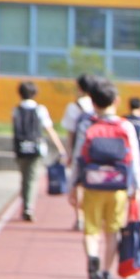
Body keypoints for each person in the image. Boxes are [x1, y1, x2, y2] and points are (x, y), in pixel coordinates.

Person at [68, 78, 140, 279]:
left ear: (93, 103)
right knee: (112, 232)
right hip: (118, 187)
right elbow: (135, 160)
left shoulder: (88, 124)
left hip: (92, 185)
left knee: (91, 231)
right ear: (117, 101)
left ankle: (92, 257)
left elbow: (78, 157)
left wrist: (73, 186)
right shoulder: (125, 126)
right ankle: (106, 273)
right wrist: (137, 188)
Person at [11, 81, 66, 222]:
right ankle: (29, 207)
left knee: (24, 178)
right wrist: (60, 148)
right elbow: (49, 130)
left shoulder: (16, 110)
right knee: (32, 178)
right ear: (35, 94)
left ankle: (25, 206)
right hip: (36, 149)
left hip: (21, 148)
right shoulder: (40, 109)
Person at [61, 74, 96, 230]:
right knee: (94, 183)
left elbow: (70, 133)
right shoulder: (98, 104)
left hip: (79, 150)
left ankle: (79, 218)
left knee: (78, 183)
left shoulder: (73, 106)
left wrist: (68, 153)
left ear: (79, 87)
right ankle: (91, 215)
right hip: (96, 151)